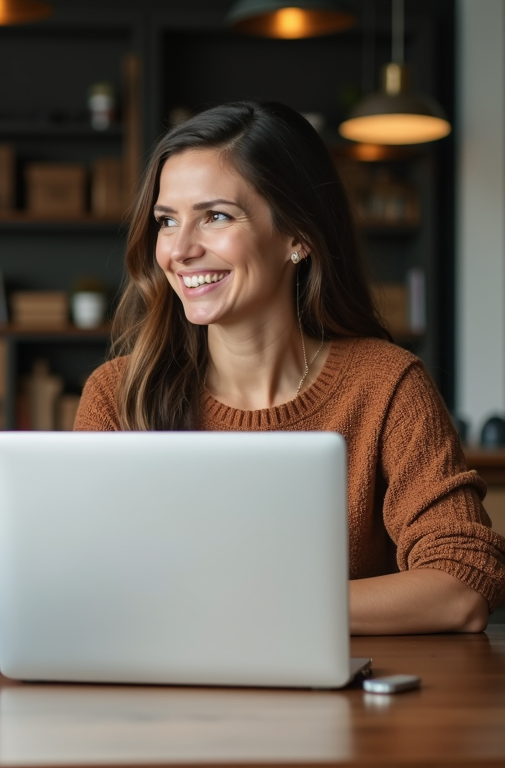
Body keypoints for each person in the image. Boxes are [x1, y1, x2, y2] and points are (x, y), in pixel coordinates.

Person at [75, 100, 505, 634]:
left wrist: (260, 609)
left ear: (297, 237)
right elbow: (86, 585)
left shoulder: (385, 384)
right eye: (167, 221)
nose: (179, 249)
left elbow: (464, 581)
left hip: (344, 708)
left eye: (215, 216)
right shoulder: (119, 394)